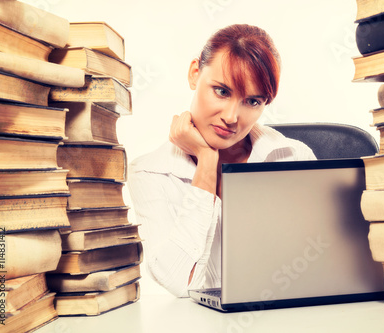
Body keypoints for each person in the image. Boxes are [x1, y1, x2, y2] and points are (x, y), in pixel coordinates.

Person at [128, 24, 316, 297]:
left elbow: (322, 269)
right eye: (222, 91)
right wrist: (206, 162)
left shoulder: (294, 157)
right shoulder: (149, 172)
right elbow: (181, 283)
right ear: (195, 73)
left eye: (252, 102)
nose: (231, 117)